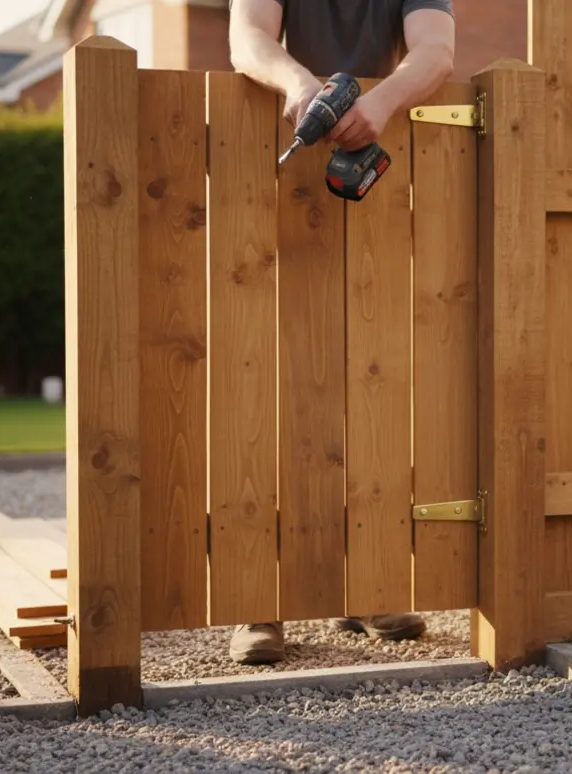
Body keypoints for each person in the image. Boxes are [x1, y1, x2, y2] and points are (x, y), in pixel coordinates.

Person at [224, 0, 457, 665]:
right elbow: (247, 40)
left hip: (372, 186)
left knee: (375, 396)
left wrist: (379, 105)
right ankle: (257, 604)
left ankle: (369, 586)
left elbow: (436, 52)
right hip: (276, 194)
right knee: (268, 400)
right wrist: (302, 86)